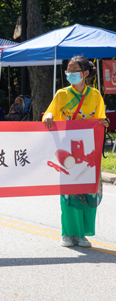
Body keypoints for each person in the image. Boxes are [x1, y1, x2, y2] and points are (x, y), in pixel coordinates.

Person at [43, 56, 108, 248]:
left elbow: (101, 119)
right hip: (67, 152)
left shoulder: (95, 95)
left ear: (85, 73)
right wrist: (48, 115)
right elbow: (50, 113)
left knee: (88, 191)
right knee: (69, 193)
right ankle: (67, 233)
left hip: (88, 152)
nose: (69, 73)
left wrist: (105, 122)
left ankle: (82, 235)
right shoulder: (62, 94)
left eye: (74, 70)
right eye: (68, 70)